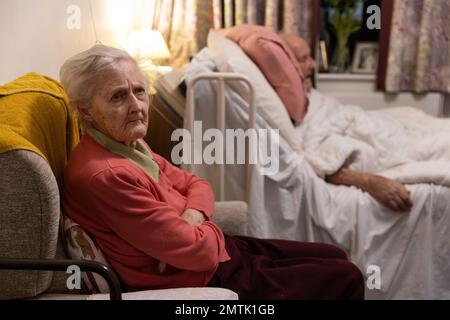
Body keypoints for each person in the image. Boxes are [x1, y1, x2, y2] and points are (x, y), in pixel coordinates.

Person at [60, 44, 364, 300]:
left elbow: (197, 182)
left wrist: (194, 217)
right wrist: (201, 228)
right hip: (199, 277)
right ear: (85, 110)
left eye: (139, 91)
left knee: (332, 254)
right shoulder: (107, 175)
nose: (137, 106)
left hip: (210, 253)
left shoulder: (127, 143)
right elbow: (200, 252)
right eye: (118, 96)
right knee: (346, 276)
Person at [280, 34, 413, 213]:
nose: (312, 64)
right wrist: (369, 181)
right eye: (304, 59)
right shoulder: (284, 110)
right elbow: (315, 160)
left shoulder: (304, 91)